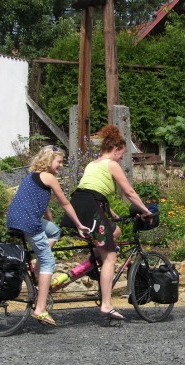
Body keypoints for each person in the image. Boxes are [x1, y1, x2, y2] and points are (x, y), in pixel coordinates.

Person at [63, 125, 152, 320]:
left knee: (116, 231)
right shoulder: (111, 164)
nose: (121, 158)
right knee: (111, 257)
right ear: (116, 149)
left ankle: (92, 263)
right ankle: (106, 305)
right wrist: (146, 210)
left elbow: (93, 191)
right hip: (91, 209)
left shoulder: (92, 164)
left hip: (78, 205)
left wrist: (111, 214)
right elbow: (129, 192)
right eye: (122, 154)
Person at [7, 145, 89, 326]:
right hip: (29, 221)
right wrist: (79, 224)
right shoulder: (49, 177)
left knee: (54, 231)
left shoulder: (32, 176)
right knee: (49, 262)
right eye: (59, 161)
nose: (61, 165)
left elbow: (40, 203)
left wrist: (50, 221)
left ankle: (38, 265)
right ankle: (40, 309)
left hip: (16, 218)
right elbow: (65, 203)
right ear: (49, 160)